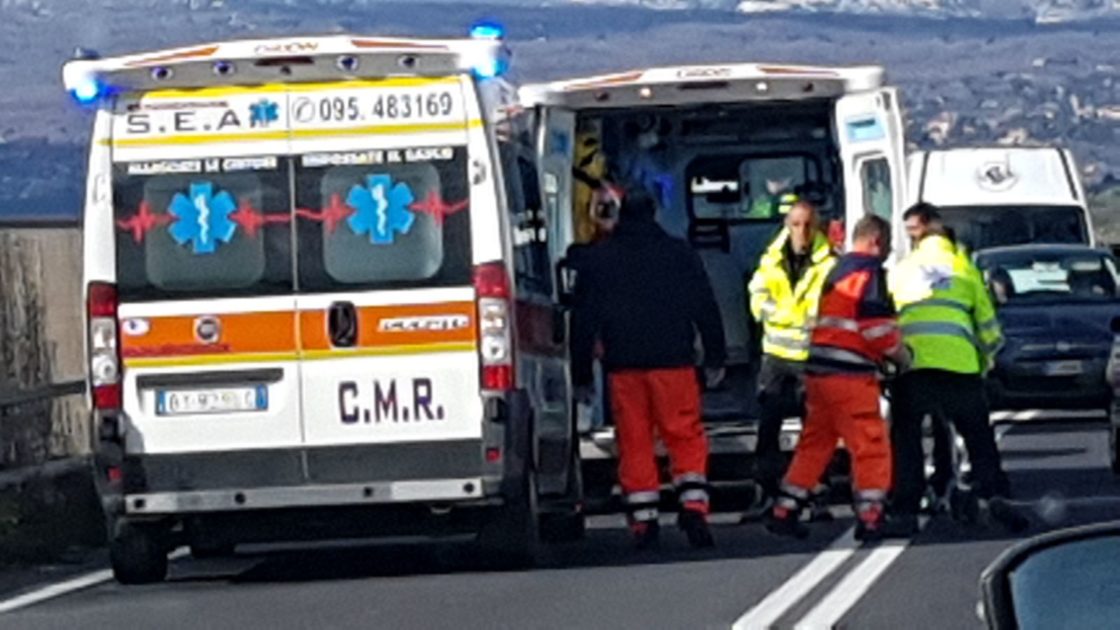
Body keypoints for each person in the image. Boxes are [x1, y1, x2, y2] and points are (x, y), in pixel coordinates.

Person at [570, 188, 728, 550]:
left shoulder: (600, 258)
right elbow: (705, 305)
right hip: (674, 362)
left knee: (635, 441)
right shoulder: (679, 253)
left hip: (625, 366)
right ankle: (693, 505)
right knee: (684, 435)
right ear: (654, 213)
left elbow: (584, 321)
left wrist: (581, 374)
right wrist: (715, 357)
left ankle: (644, 521)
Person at [888, 203, 1029, 535]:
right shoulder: (963, 268)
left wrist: (890, 362)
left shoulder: (902, 269)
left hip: (913, 366)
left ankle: (906, 507)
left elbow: (889, 318)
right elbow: (988, 325)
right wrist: (986, 360)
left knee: (907, 438)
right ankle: (993, 494)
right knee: (978, 436)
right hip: (960, 367)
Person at [767, 215, 910, 541]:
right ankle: (871, 516)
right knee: (869, 444)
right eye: (887, 244)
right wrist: (902, 356)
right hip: (850, 376)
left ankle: (785, 509)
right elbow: (875, 328)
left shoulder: (837, 270)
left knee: (816, 444)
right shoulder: (870, 273)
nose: (888, 251)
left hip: (819, 372)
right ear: (876, 241)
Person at [744, 200, 837, 517]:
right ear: (786, 226)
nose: (802, 232)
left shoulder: (830, 264)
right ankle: (766, 491)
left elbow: (830, 308)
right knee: (768, 427)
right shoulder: (770, 261)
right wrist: (793, 317)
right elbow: (758, 301)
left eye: (808, 225)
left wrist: (788, 316)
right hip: (776, 357)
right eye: (796, 225)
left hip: (812, 357)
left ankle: (816, 491)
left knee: (815, 429)